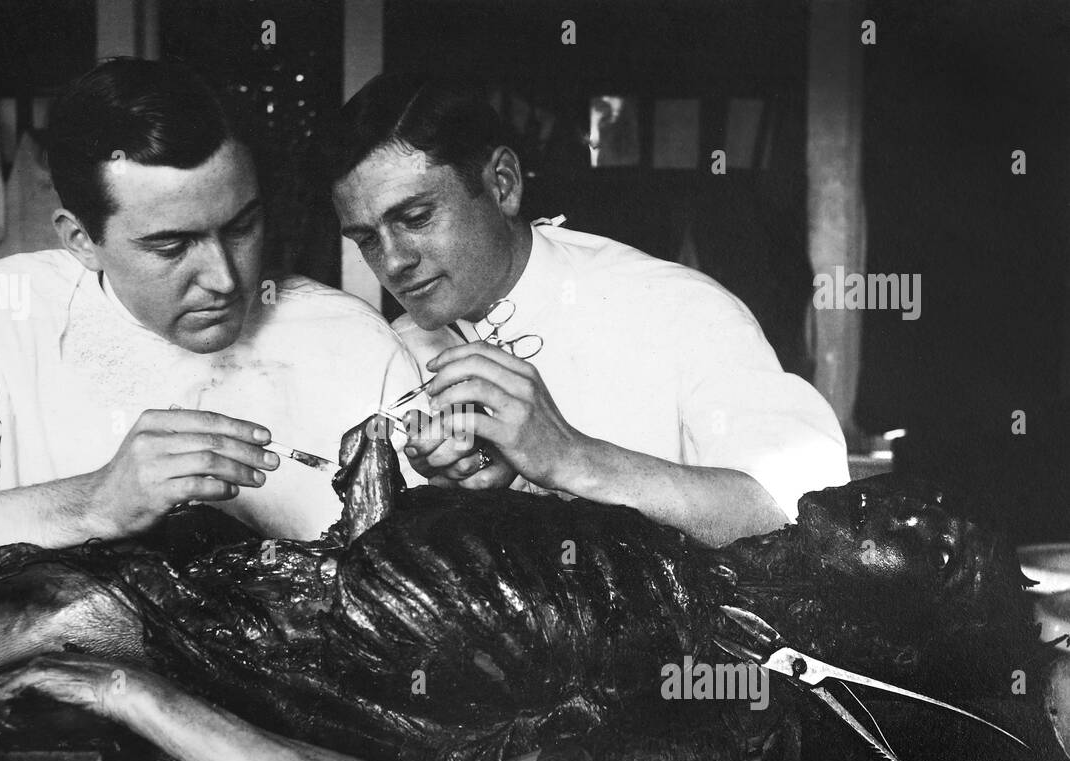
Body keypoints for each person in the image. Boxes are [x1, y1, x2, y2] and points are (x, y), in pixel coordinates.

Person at [0, 59, 421, 609]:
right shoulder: (1, 314)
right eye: (171, 245)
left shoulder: (352, 341)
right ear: (80, 240)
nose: (223, 278)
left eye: (241, 227)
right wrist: (96, 501)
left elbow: (430, 586)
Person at [324, 74, 849, 547]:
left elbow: (809, 520)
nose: (393, 262)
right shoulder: (393, 354)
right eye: (367, 239)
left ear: (502, 184)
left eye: (415, 217)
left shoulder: (677, 309)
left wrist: (573, 458)